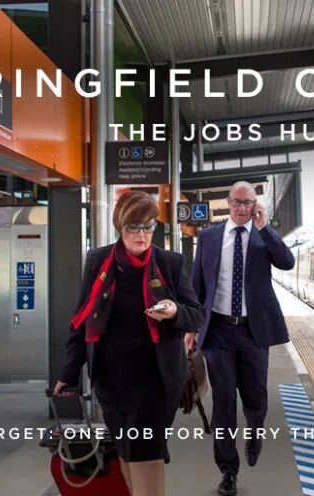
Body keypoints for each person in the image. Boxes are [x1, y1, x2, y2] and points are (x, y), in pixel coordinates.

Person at [53, 191, 204, 496]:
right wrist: (69, 373)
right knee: (125, 452)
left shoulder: (170, 263)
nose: (142, 235)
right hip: (111, 384)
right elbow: (81, 319)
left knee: (145, 456)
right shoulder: (98, 261)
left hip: (156, 383)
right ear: (119, 227)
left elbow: (196, 315)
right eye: (133, 227)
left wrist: (174, 311)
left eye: (148, 227)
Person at [190, 181, 295, 496]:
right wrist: (190, 328)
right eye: (236, 202)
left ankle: (255, 430)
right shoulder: (208, 237)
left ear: (255, 205)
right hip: (218, 331)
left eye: (247, 203)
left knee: (256, 398)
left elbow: (287, 262)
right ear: (228, 202)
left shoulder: (263, 237)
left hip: (253, 331)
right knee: (223, 403)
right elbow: (197, 284)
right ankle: (228, 471)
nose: (241, 208)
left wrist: (266, 230)